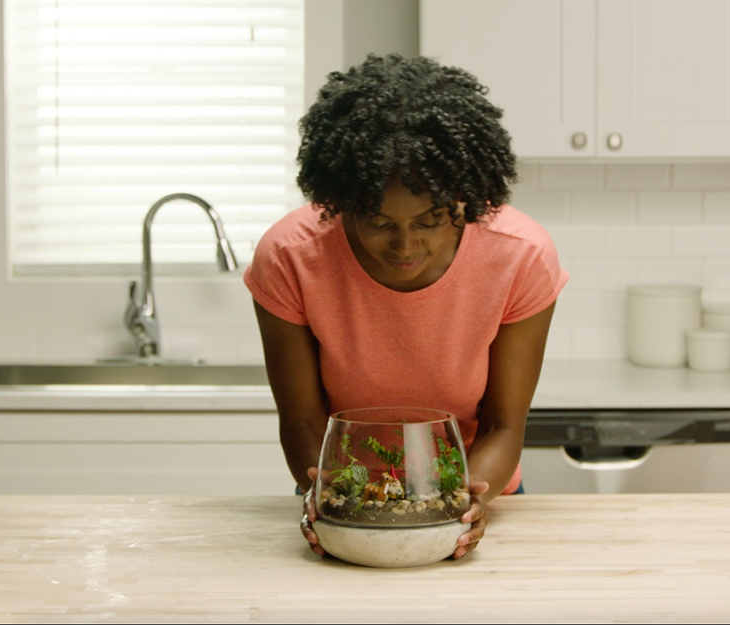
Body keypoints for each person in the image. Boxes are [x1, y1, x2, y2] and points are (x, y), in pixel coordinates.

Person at [243, 54, 569, 560]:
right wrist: (333, 501)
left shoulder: (520, 256)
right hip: (339, 499)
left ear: (466, 198)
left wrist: (452, 507)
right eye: (377, 222)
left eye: (431, 220)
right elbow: (302, 421)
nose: (404, 246)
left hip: (474, 497)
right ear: (342, 201)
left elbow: (504, 424)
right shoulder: (290, 257)